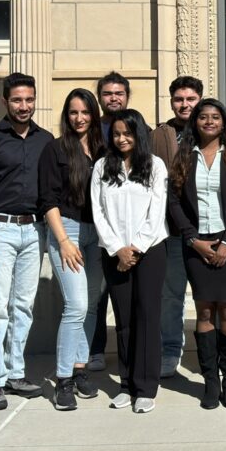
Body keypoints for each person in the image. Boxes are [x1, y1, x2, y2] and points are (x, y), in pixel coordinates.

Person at [0, 73, 53, 410]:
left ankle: (16, 372)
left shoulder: (45, 140)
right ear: (5, 102)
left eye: (29, 100)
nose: (24, 106)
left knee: (23, 306)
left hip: (34, 232)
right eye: (17, 100)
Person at [168, 98, 226, 410]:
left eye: (214, 117)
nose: (208, 121)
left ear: (223, 122)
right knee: (204, 311)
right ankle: (210, 381)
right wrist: (193, 240)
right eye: (203, 117)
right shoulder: (184, 157)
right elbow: (174, 202)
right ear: (196, 122)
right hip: (196, 245)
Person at [91, 108, 169, 414]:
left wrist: (134, 249)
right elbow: (99, 212)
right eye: (117, 133)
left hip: (149, 252)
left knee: (146, 318)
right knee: (123, 320)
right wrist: (117, 249)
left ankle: (146, 387)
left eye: (128, 133)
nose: (122, 139)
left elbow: (157, 211)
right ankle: (126, 384)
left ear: (138, 134)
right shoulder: (101, 167)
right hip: (114, 253)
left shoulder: (154, 166)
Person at [39, 88, 106, 411]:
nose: (79, 118)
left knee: (91, 305)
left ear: (94, 114)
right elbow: (47, 201)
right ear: (66, 116)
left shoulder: (103, 149)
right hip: (68, 231)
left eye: (85, 112)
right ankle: (63, 379)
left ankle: (81, 369)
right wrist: (64, 241)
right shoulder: (55, 150)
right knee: (76, 305)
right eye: (73, 112)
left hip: (98, 235)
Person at [151, 75, 203, 378]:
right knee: (171, 296)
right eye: (179, 99)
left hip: (206, 230)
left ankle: (213, 351)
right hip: (170, 230)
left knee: (210, 297)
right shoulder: (161, 134)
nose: (185, 105)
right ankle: (171, 350)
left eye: (190, 99)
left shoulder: (213, 127)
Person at [88, 71, 133, 371]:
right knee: (97, 292)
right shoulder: (89, 128)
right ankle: (96, 349)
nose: (114, 98)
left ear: (127, 96)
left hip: (126, 225)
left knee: (125, 292)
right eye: (107, 93)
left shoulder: (135, 126)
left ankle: (130, 351)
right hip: (93, 221)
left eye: (118, 93)